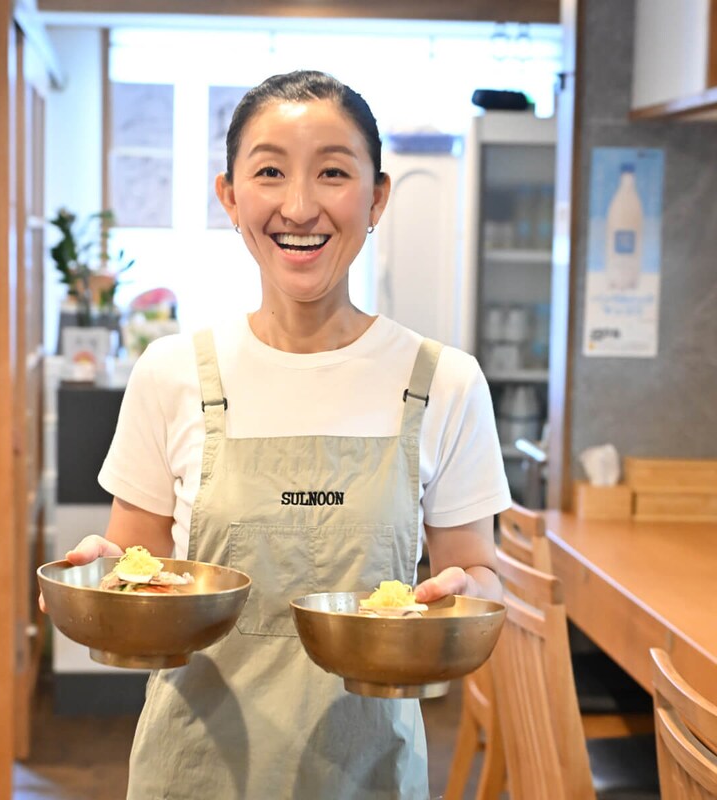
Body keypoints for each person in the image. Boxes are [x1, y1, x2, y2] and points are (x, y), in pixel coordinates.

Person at [55, 69, 510, 799]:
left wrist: (464, 591)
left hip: (370, 773)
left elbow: (477, 574)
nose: (299, 206)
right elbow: (136, 567)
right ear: (230, 197)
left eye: (333, 172)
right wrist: (102, 578)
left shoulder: (445, 382)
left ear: (376, 198)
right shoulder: (171, 372)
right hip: (193, 771)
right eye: (269, 172)